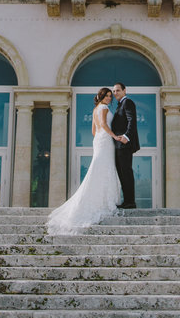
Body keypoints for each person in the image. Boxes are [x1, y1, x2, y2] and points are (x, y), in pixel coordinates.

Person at [47, 87, 123, 234]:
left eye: (109, 96)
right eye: (106, 96)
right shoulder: (105, 108)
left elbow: (94, 131)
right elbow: (103, 124)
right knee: (104, 168)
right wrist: (114, 136)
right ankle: (103, 201)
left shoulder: (95, 109)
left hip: (98, 140)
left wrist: (101, 137)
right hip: (105, 140)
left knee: (99, 168)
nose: (109, 98)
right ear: (101, 96)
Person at [111, 82, 140, 209]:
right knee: (122, 174)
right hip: (118, 145)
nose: (115, 93)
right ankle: (126, 201)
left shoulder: (128, 102)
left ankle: (130, 202)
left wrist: (126, 137)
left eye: (118, 90)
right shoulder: (120, 105)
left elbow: (131, 120)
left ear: (124, 90)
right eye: (114, 91)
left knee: (126, 173)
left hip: (124, 145)